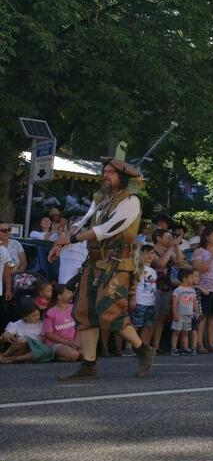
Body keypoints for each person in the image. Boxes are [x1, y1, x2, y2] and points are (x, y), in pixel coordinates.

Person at [48, 158, 155, 379]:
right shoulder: (101, 199)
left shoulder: (131, 201)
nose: (105, 175)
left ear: (122, 177)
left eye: (111, 172)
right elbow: (85, 221)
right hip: (94, 261)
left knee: (110, 311)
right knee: (84, 312)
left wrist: (72, 238)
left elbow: (105, 230)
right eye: (104, 171)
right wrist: (62, 240)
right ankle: (88, 365)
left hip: (117, 264)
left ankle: (143, 350)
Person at [0, 298, 54, 364]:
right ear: (24, 317)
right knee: (23, 339)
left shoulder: (42, 324)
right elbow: (4, 338)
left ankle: (14, 359)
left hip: (35, 349)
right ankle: (5, 355)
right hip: (20, 349)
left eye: (38, 315)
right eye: (33, 316)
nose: (37, 317)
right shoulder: (16, 324)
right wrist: (5, 335)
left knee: (41, 352)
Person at [42, 285, 80, 362]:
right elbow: (48, 334)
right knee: (74, 355)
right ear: (59, 296)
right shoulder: (50, 312)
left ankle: (57, 357)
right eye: (68, 293)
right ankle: (51, 355)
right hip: (55, 344)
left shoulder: (73, 308)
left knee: (87, 355)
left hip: (72, 342)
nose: (72, 295)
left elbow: (78, 326)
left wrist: (76, 340)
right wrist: (67, 342)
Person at [130, 243, 158, 346]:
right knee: (135, 324)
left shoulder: (153, 271)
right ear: (140, 254)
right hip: (139, 301)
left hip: (150, 302)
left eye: (152, 253)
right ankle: (130, 346)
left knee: (148, 325)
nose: (150, 256)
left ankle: (143, 346)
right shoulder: (139, 268)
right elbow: (134, 284)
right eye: (146, 253)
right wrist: (133, 298)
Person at [171, 268, 199, 356]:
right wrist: (175, 313)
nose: (193, 279)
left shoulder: (192, 290)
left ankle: (185, 348)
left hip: (189, 314)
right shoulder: (178, 290)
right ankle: (174, 348)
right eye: (191, 277)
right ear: (184, 279)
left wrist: (196, 311)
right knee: (177, 332)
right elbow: (174, 303)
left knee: (186, 332)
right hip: (180, 314)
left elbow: (194, 302)